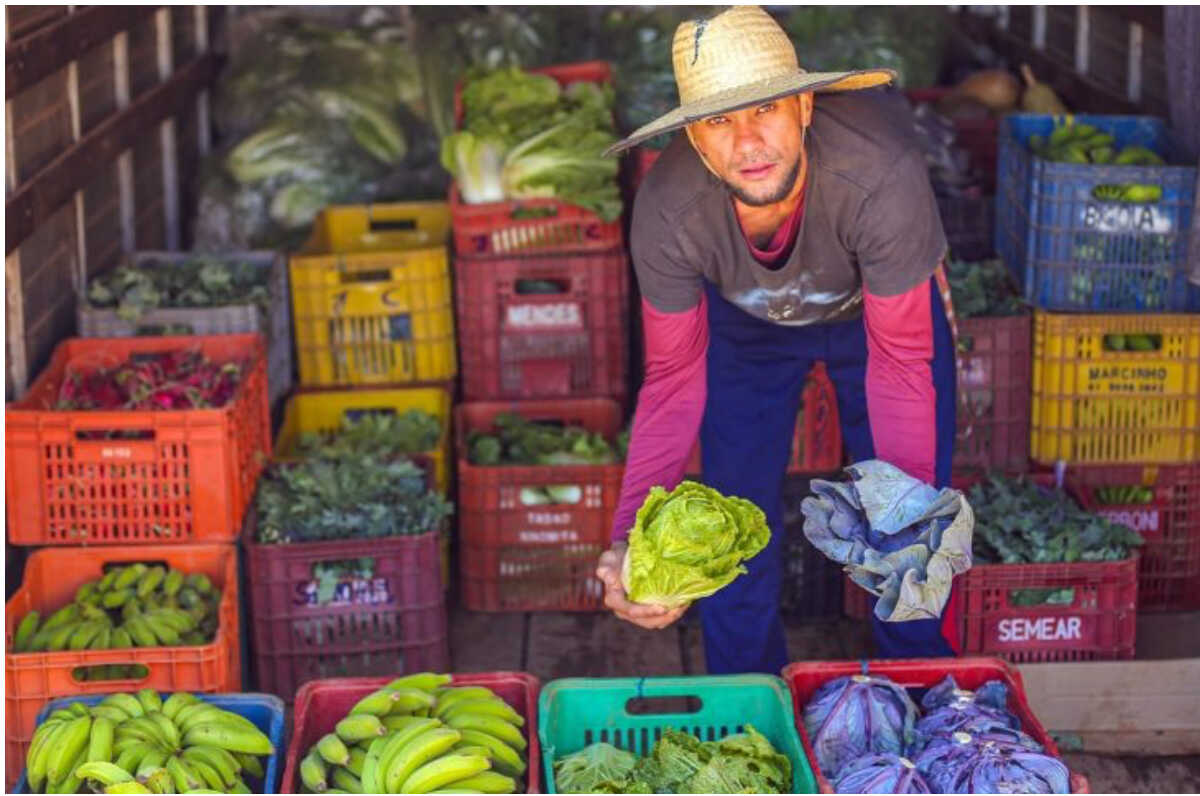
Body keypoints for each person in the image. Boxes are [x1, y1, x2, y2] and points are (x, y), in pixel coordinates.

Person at [594, 5, 962, 675]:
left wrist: (904, 512)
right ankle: (748, 692)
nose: (747, 144)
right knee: (729, 513)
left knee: (909, 519)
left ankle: (920, 684)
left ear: (805, 107)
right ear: (695, 142)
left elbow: (904, 366)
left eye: (765, 110)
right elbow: (673, 380)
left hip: (875, 321)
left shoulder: (879, 175)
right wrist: (629, 541)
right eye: (719, 121)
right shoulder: (669, 211)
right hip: (743, 323)